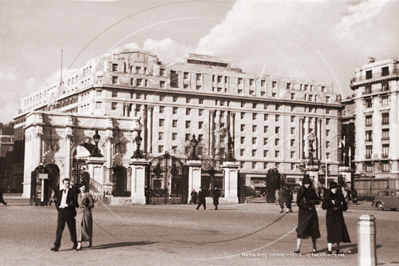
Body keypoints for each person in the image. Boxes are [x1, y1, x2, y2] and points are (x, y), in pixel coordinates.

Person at [322, 182, 351, 254]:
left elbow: (345, 207)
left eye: (335, 188)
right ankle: (329, 250)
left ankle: (338, 249)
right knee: (331, 233)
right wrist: (331, 203)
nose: (334, 190)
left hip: (338, 216)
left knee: (338, 233)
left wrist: (339, 207)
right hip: (330, 217)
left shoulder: (340, 195)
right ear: (330, 189)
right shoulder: (328, 195)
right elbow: (323, 206)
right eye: (333, 188)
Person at [295, 175, 321, 254]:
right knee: (301, 230)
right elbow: (298, 202)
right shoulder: (301, 191)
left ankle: (314, 248)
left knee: (313, 230)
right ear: (303, 183)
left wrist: (314, 201)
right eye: (306, 183)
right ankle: (297, 248)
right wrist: (306, 207)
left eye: (308, 183)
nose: (307, 185)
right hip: (303, 213)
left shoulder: (312, 191)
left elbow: (318, 200)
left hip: (312, 213)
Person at [51, 178, 78, 252]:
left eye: (68, 183)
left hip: (69, 212)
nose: (67, 185)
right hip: (61, 212)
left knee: (72, 229)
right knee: (59, 229)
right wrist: (59, 209)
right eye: (66, 183)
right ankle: (56, 245)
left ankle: (75, 242)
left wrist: (68, 205)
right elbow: (57, 202)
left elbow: (76, 203)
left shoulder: (73, 192)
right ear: (63, 184)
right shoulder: (59, 192)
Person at [75, 182, 95, 251]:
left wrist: (88, 205)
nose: (83, 189)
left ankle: (89, 239)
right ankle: (79, 243)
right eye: (81, 187)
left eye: (84, 187)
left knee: (87, 226)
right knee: (79, 227)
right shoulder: (78, 195)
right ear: (79, 188)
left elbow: (92, 204)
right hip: (79, 212)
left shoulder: (88, 195)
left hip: (86, 212)